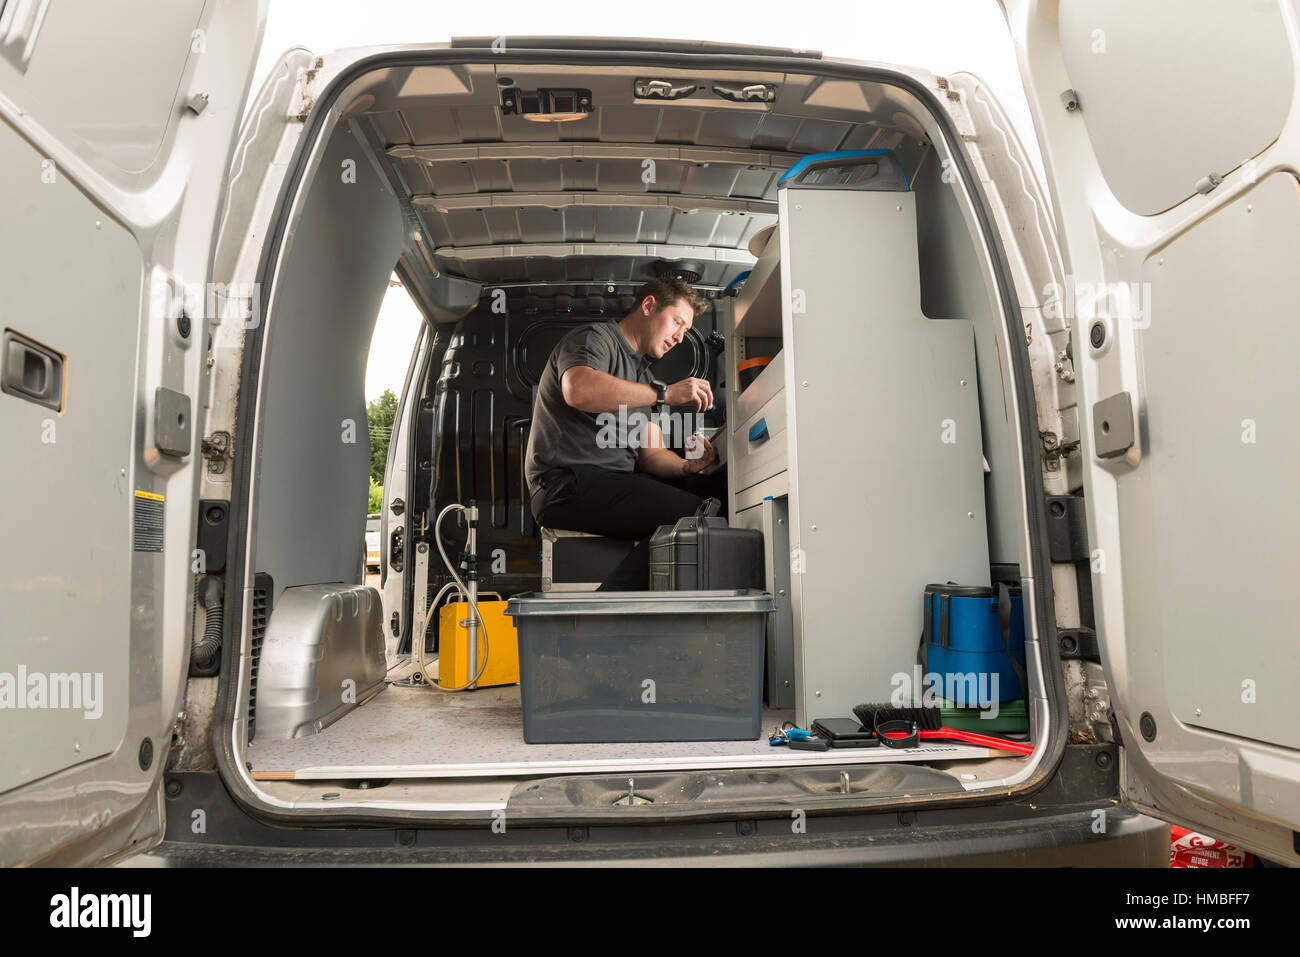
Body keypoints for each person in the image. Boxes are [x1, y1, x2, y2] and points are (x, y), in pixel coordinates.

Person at [525, 277, 726, 589]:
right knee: (695, 516)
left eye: (686, 330)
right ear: (648, 306)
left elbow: (652, 456)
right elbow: (578, 390)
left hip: (611, 483)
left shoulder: (643, 376)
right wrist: (664, 395)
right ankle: (606, 614)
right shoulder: (595, 339)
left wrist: (687, 466)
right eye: (677, 322)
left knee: (716, 494)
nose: (679, 337)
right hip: (563, 484)